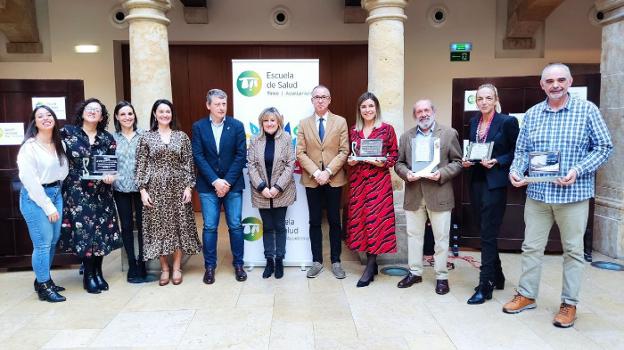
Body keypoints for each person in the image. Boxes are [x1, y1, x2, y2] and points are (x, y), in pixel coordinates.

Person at [503, 63, 612, 328]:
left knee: (573, 251)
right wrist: (516, 171)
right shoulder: (532, 114)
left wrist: (578, 169)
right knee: (530, 247)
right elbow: (522, 151)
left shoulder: (587, 111)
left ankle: (569, 303)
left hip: (573, 194)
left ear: (570, 81)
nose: (555, 85)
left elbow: (604, 147)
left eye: (561, 80)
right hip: (538, 194)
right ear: (542, 85)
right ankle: (527, 295)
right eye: (549, 81)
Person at [394, 99, 462, 295]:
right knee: (414, 236)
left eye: (426, 110)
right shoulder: (406, 137)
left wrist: (442, 174)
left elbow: (457, 162)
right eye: (419, 111)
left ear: (433, 111)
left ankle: (441, 276)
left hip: (439, 193)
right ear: (414, 115)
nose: (423, 114)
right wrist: (406, 173)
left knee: (441, 238)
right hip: (415, 194)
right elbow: (399, 163)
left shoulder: (449, 134)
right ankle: (415, 272)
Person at [462, 84, 519, 304]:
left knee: (487, 233)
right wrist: (469, 160)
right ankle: (499, 276)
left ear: (495, 99)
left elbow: (517, 151)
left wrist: (498, 160)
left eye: (488, 98)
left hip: (494, 183)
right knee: (483, 229)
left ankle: (485, 285)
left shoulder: (507, 122)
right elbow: (476, 148)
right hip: (476, 179)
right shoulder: (475, 122)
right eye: (479, 99)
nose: (483, 102)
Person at [59, 98, 122, 294]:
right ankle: (88, 275)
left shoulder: (107, 138)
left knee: (101, 232)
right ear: (82, 111)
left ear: (102, 116)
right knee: (85, 232)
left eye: (97, 110)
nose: (93, 112)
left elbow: (112, 165)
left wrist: (112, 176)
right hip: (77, 192)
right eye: (89, 108)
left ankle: (98, 272)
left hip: (102, 192)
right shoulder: (67, 133)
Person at [135, 99, 201, 286]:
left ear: (172, 115)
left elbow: (188, 163)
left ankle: (177, 267)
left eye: (168, 111)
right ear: (154, 114)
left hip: (178, 188)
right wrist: (142, 190)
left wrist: (189, 187)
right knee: (158, 228)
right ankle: (164, 268)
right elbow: (141, 165)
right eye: (161, 111)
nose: (165, 114)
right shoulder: (146, 137)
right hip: (154, 189)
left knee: (179, 226)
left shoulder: (182, 137)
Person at [192, 89, 247, 284]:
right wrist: (215, 180)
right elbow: (198, 156)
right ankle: (209, 267)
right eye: (217, 104)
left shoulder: (237, 126)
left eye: (224, 104)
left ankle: (238, 265)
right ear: (208, 105)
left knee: (235, 225)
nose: (221, 107)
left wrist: (227, 182)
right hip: (208, 186)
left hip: (233, 185)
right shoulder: (198, 127)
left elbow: (241, 156)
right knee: (209, 227)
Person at [296, 85, 349, 279]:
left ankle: (336, 261)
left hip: (334, 179)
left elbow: (344, 151)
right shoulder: (303, 123)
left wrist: (327, 171)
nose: (320, 100)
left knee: (335, 221)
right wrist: (317, 172)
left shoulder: (340, 122)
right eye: (316, 97)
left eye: (324, 97)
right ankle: (317, 261)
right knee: (315, 221)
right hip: (312, 180)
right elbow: (300, 152)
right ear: (312, 100)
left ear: (329, 100)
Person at [346, 92, 398, 287]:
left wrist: (381, 163)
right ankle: (371, 262)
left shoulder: (386, 130)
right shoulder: (354, 131)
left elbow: (394, 155)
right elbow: (348, 155)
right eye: (363, 107)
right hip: (359, 184)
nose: (368, 110)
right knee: (361, 222)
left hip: (379, 184)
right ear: (359, 110)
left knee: (375, 223)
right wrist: (350, 161)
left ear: (376, 108)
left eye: (370, 106)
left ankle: (370, 265)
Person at [17, 105, 69, 302]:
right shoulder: (29, 147)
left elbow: (63, 171)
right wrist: (47, 206)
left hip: (56, 192)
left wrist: (54, 196)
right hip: (36, 197)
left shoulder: (58, 144)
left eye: (49, 115)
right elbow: (29, 180)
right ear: (34, 122)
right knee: (42, 244)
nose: (46, 118)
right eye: (40, 116)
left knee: (53, 240)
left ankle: (42, 280)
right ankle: (44, 287)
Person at [247, 107, 296, 279]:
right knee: (267, 227)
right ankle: (269, 261)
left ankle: (280, 260)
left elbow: (291, 164)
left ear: (278, 122)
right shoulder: (254, 139)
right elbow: (251, 165)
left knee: (280, 227)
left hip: (281, 191)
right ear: (262, 122)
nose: (269, 123)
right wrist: (262, 187)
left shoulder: (286, 138)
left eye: (273, 120)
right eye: (266, 120)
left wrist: (277, 187)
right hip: (261, 192)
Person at [112, 101, 152, 283]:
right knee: (127, 226)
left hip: (142, 189)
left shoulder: (144, 136)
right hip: (120, 189)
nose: (127, 117)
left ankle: (143, 262)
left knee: (144, 226)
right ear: (117, 117)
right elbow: (107, 163)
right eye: (123, 114)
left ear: (134, 116)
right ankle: (132, 264)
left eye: (130, 114)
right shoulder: (112, 139)